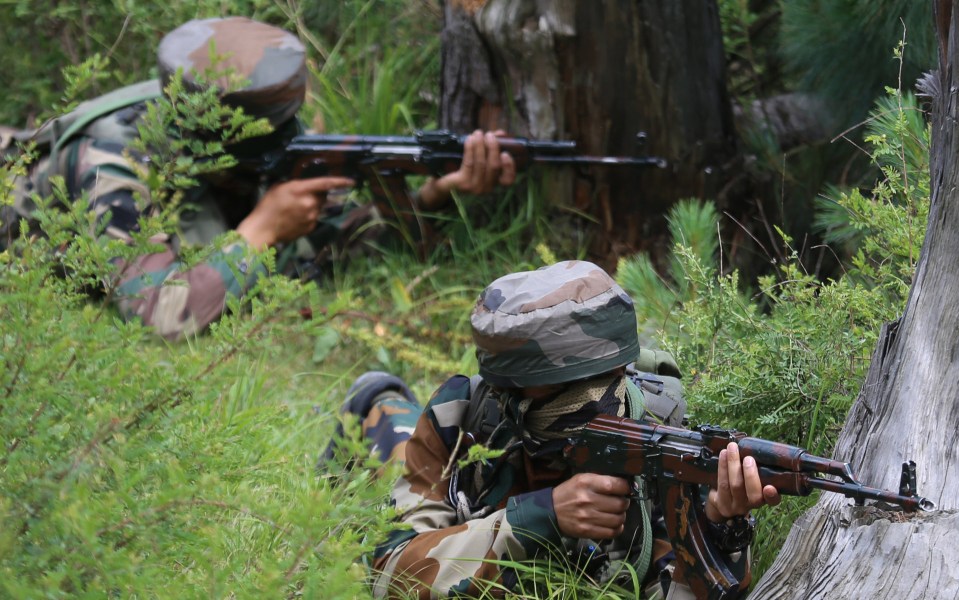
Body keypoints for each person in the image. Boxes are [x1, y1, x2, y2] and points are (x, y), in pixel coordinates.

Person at [0, 17, 515, 340]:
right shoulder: (112, 165)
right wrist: (260, 233)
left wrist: (431, 196)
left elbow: (331, 242)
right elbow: (159, 315)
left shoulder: (255, 127)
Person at [327, 260, 781, 599]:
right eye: (565, 394)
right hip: (421, 447)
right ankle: (379, 395)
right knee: (388, 432)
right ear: (512, 392)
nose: (596, 406)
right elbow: (391, 573)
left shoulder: (659, 442)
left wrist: (721, 529)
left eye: (607, 384)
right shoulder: (462, 418)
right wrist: (537, 519)